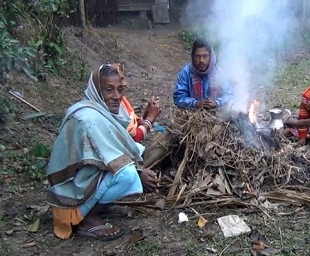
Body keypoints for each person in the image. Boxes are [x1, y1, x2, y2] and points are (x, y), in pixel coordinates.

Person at [46, 63, 162, 240]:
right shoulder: (87, 117)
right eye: (109, 90)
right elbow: (110, 155)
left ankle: (97, 206)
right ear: (97, 90)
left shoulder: (100, 110)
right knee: (128, 174)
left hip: (83, 178)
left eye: (119, 90)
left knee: (137, 151)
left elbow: (119, 146)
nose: (117, 97)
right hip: (68, 198)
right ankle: (86, 219)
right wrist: (139, 171)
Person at [173, 38, 232, 109]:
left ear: (210, 56)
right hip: (191, 116)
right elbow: (178, 98)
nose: (201, 60)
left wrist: (216, 103)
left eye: (205, 56)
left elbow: (229, 95)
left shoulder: (219, 73)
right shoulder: (185, 73)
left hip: (216, 116)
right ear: (192, 57)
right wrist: (195, 103)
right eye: (197, 56)